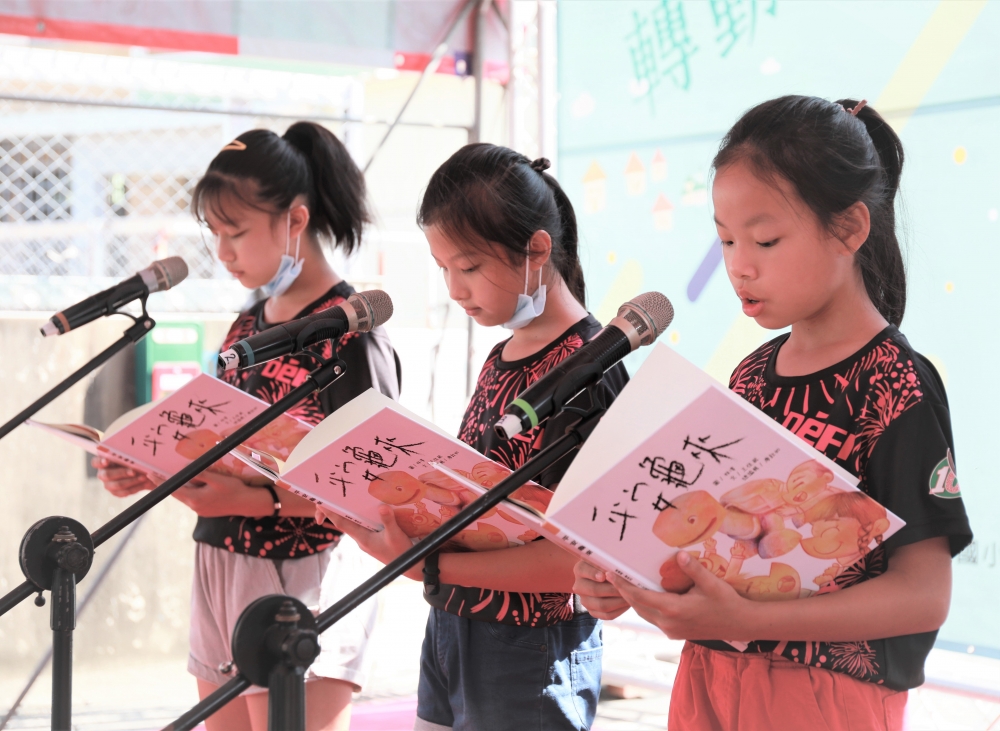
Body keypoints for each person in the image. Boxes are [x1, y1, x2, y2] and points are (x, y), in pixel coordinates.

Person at [572, 95, 973, 731]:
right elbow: (726, 545)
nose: (739, 265)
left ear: (849, 229)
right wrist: (623, 582)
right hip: (710, 677)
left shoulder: (894, 382)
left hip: (824, 698)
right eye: (726, 239)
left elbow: (924, 596)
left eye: (764, 239)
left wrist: (752, 621)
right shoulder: (752, 374)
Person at [95, 122, 400, 731]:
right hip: (220, 560)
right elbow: (225, 447)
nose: (223, 253)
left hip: (303, 571)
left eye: (236, 232)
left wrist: (257, 497)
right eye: (214, 234)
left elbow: (375, 485)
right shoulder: (246, 328)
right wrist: (155, 467)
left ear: (295, 221)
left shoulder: (352, 331)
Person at [321, 143, 628, 731]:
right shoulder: (502, 355)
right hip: (453, 625)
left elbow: (580, 559)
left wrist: (432, 567)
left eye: (468, 267)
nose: (455, 289)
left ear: (537, 251)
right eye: (443, 269)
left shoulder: (589, 367)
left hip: (531, 647)